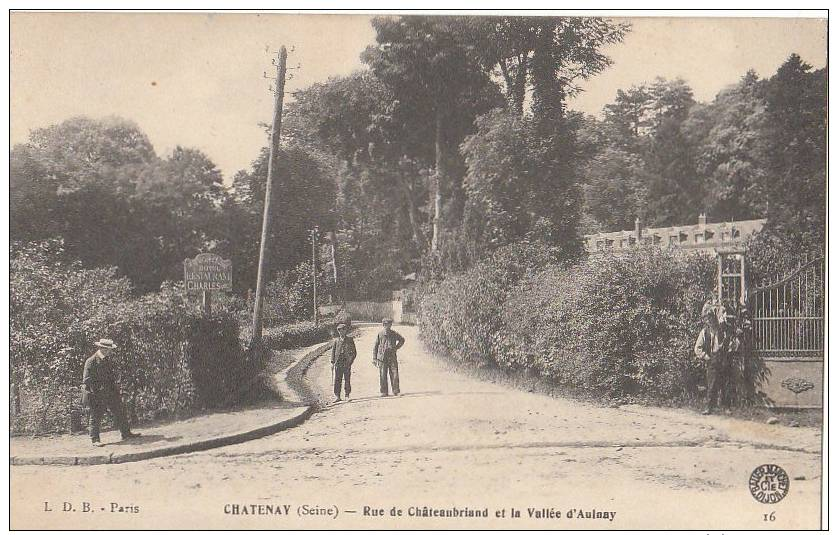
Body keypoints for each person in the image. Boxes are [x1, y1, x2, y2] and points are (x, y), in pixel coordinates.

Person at [82, 339, 140, 447]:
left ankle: (126, 434)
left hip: (111, 392)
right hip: (97, 394)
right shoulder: (91, 361)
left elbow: (111, 377)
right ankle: (95, 440)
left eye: (110, 350)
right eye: (108, 349)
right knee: (96, 416)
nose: (110, 351)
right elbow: (87, 380)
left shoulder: (107, 360)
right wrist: (98, 390)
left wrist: (117, 388)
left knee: (120, 412)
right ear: (102, 348)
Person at [693, 302, 730, 415]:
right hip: (711, 359)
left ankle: (725, 407)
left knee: (724, 383)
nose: (709, 321)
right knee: (711, 384)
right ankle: (709, 407)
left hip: (721, 358)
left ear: (714, 319)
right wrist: (706, 356)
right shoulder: (704, 332)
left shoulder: (721, 331)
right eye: (707, 319)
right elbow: (697, 348)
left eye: (710, 319)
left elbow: (729, 343)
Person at [373, 318, 405, 397]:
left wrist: (396, 348)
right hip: (382, 357)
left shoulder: (394, 333)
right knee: (383, 374)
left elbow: (402, 340)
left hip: (392, 356)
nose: (387, 326)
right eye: (386, 324)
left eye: (389, 324)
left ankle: (396, 391)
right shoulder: (380, 334)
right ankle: (384, 391)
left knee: (394, 374)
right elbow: (375, 346)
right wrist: (374, 358)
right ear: (383, 325)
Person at [330, 323, 357, 403]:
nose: (341, 332)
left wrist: (350, 361)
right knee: (337, 379)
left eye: (343, 330)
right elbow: (333, 352)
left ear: (345, 331)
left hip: (346, 363)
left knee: (347, 379)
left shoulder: (350, 340)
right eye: (339, 330)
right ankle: (337, 396)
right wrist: (332, 362)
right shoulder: (336, 341)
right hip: (338, 363)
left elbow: (354, 352)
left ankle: (347, 395)